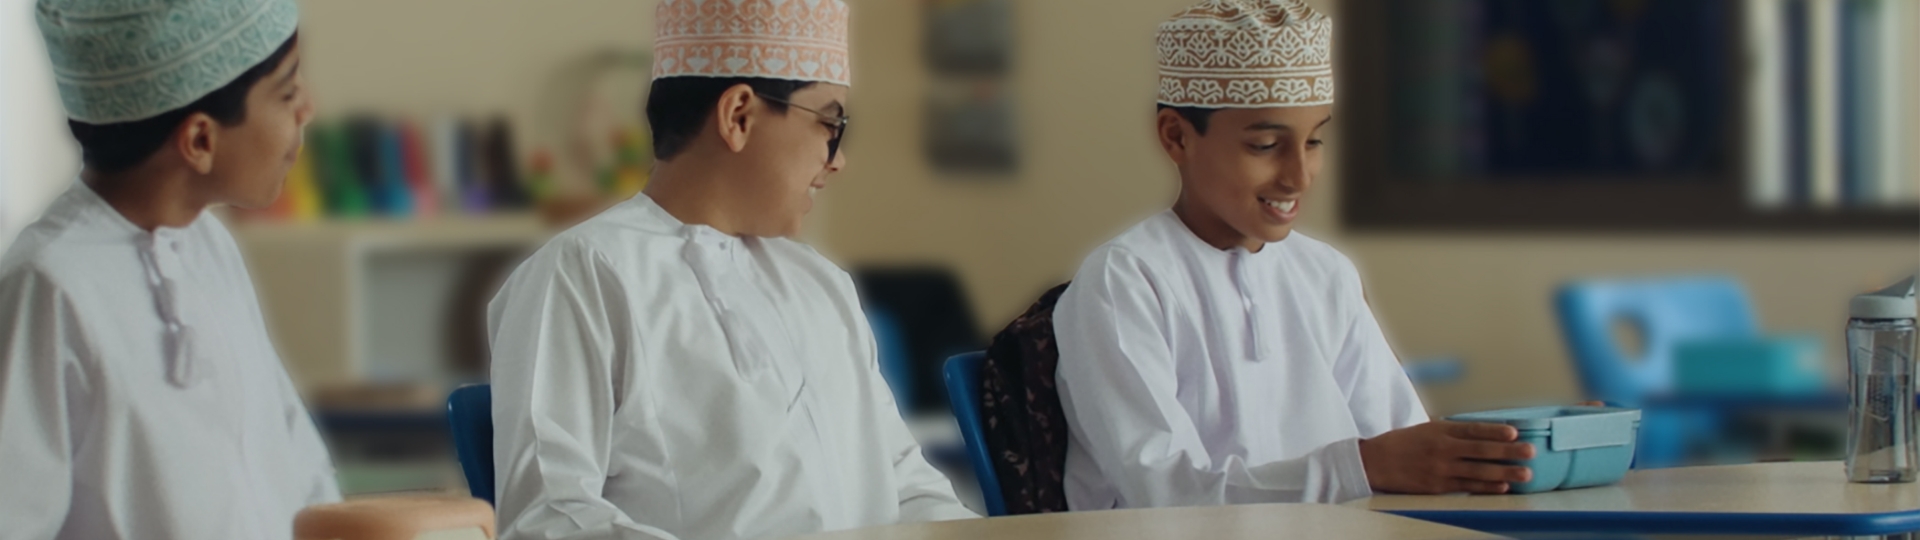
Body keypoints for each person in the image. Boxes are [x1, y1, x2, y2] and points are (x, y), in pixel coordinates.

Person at [487, 1, 977, 538]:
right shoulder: (583, 274)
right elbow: (548, 514)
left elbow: (904, 483)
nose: (837, 160)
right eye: (831, 124)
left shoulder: (821, 283)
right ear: (738, 115)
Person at [1051, 0, 1536, 510]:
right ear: (1177, 136)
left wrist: (1527, 450)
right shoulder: (1126, 282)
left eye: (1314, 140)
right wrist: (1361, 467)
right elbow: (1166, 494)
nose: (1299, 177)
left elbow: (1405, 445)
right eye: (1265, 144)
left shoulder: (1323, 273)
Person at [0, 0, 339, 538]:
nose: (308, 109)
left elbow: (297, 466)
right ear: (201, 140)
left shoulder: (209, 247)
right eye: (288, 92)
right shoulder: (49, 285)